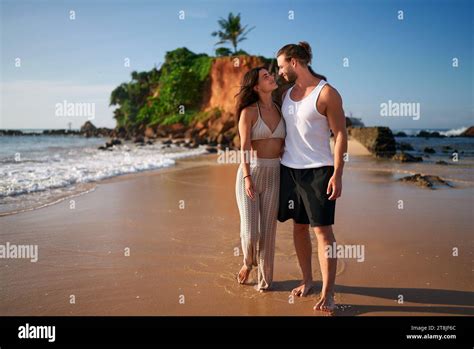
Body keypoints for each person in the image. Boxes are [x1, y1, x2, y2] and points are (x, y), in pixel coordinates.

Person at [276, 41, 348, 312]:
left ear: (295, 62)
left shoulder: (327, 93)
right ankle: (308, 281)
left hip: (319, 171)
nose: (280, 72)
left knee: (322, 231)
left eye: (282, 67)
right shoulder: (285, 94)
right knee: (298, 227)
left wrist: (337, 173)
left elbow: (340, 134)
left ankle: (328, 293)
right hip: (289, 170)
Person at [234, 66, 286, 291]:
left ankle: (265, 281)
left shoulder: (280, 108)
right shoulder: (249, 112)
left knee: (268, 233)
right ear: (256, 87)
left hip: (275, 173)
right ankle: (248, 262)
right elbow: (244, 148)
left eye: (270, 74)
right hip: (251, 173)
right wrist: (247, 177)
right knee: (251, 232)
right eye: (266, 77)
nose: (271, 77)